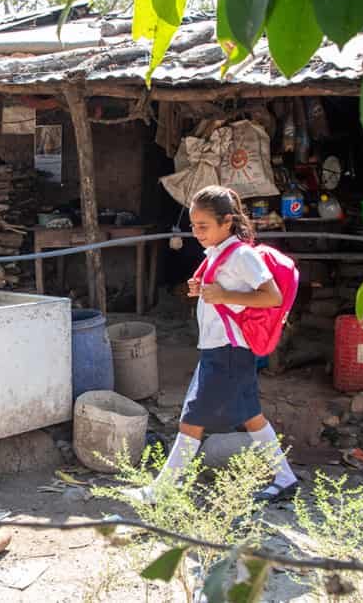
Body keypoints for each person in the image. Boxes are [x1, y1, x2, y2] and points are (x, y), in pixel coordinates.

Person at [126, 185, 298, 504]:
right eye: (193, 225)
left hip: (228, 351)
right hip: (223, 349)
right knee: (252, 416)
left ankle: (161, 491)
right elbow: (220, 293)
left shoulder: (243, 255)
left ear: (227, 221)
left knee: (191, 420)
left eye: (203, 226)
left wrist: (222, 295)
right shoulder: (219, 253)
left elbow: (272, 297)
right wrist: (202, 290)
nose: (196, 232)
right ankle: (285, 478)